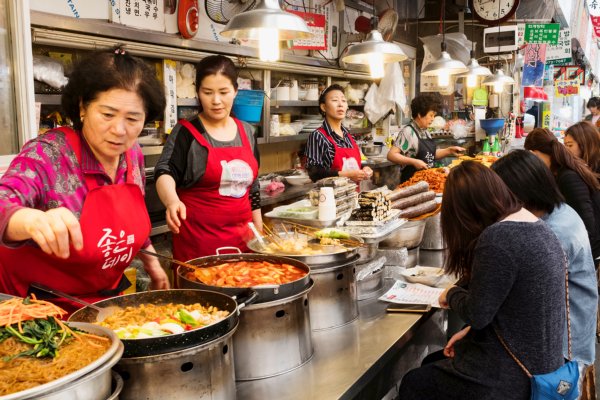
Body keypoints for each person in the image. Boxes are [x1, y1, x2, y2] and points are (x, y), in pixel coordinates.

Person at [0, 50, 170, 311]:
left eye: (133, 119)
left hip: (102, 302)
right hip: (37, 311)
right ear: (82, 107)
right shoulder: (47, 154)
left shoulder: (132, 154)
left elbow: (123, 224)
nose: (120, 130)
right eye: (107, 114)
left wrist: (151, 261)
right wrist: (32, 220)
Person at [398, 161, 566, 400]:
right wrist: (468, 332)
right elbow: (511, 305)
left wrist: (450, 293)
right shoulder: (533, 224)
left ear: (465, 211)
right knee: (432, 362)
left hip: (516, 377)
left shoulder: (498, 237)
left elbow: (478, 313)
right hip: (542, 365)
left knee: (415, 383)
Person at [155, 55, 261, 263]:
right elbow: (165, 171)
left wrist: (258, 229)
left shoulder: (247, 131)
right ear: (198, 93)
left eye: (223, 92)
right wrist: (172, 200)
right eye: (207, 92)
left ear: (235, 91)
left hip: (244, 243)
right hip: (199, 247)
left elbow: (253, 185)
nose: (216, 101)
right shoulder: (186, 132)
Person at [525, 128, 600, 262]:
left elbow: (588, 226)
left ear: (534, 154)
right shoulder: (558, 171)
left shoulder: (568, 177)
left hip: (587, 253)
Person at [387, 93, 464, 183]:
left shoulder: (425, 131)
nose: (433, 119)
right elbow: (391, 155)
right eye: (431, 115)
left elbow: (430, 155)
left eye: (434, 116)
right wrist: (414, 162)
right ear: (420, 115)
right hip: (411, 183)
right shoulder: (408, 132)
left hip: (427, 181)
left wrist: (449, 150)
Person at [305, 84, 373, 183]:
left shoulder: (348, 135)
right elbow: (314, 173)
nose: (340, 104)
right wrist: (346, 175)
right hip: (329, 196)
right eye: (335, 100)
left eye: (343, 101)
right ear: (324, 107)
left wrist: (364, 169)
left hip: (352, 195)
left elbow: (351, 164)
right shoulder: (318, 136)